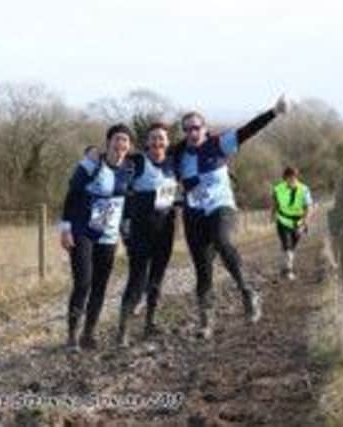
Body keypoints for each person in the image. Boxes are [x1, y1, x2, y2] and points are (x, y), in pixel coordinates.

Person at [173, 96, 289, 339]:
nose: (193, 132)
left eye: (197, 127)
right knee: (203, 271)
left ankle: (247, 292)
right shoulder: (179, 155)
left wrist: (273, 112)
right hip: (194, 213)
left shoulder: (219, 144)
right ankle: (206, 322)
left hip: (221, 207)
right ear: (183, 132)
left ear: (204, 128)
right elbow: (149, 159)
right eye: (187, 129)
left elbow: (248, 130)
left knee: (222, 241)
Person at [60, 124, 135, 352]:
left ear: (129, 146)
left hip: (109, 236)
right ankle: (72, 335)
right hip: (83, 231)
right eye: (117, 139)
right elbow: (72, 194)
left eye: (125, 141)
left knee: (100, 286)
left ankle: (89, 333)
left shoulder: (131, 169)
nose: (120, 144)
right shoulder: (92, 163)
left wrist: (126, 228)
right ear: (108, 142)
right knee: (83, 282)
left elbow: (129, 203)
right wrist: (65, 228)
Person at [115, 122, 178, 348]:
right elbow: (123, 188)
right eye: (153, 138)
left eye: (161, 138)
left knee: (156, 279)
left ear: (167, 142)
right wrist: (125, 225)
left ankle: (150, 323)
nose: (157, 142)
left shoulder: (173, 163)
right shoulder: (137, 161)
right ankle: (122, 330)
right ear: (147, 142)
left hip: (166, 228)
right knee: (137, 278)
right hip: (141, 230)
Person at [271, 166, 314, 281]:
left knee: (292, 247)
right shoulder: (278, 189)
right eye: (288, 178)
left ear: (296, 177)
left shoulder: (304, 189)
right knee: (287, 245)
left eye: (293, 178)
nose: (291, 181)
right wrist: (273, 215)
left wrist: (305, 222)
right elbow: (275, 203)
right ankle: (288, 270)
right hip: (283, 221)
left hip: (298, 222)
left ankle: (284, 267)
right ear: (285, 178)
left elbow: (309, 207)